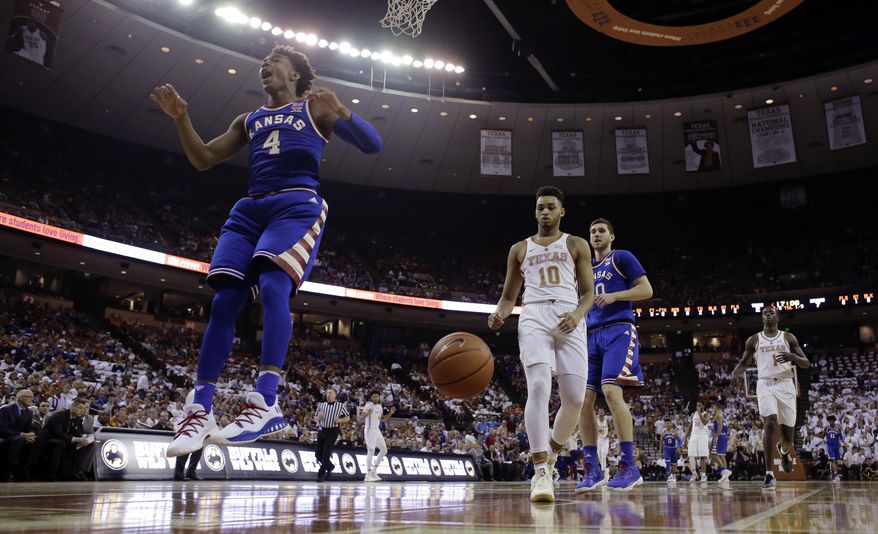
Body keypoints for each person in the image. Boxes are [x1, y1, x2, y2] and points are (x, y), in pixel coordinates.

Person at [151, 45, 382, 457]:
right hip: (250, 208)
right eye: (262, 63)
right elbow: (203, 158)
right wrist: (181, 117)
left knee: (275, 286)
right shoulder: (250, 119)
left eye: (273, 63)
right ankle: (201, 409)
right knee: (224, 301)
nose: (265, 67)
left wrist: (343, 110)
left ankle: (265, 401)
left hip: (296, 203)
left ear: (294, 75)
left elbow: (373, 145)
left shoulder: (316, 110)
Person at [488, 186, 594, 502]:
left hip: (568, 315)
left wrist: (577, 314)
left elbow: (588, 293)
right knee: (538, 387)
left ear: (562, 211)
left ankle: (550, 455)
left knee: (575, 399)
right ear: (535, 212)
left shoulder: (576, 244)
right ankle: (540, 471)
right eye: (540, 207)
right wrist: (499, 314)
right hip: (533, 315)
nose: (545, 212)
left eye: (551, 207)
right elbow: (509, 297)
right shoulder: (519, 249)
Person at [576, 218, 653, 493]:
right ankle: (592, 468)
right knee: (583, 400)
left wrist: (615, 296)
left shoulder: (621, 257)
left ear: (611, 236)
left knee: (610, 391)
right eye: (592, 231)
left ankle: (629, 466)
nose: (596, 235)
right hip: (590, 335)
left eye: (601, 231)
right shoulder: (584, 268)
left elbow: (646, 290)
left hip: (619, 329)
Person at [732, 305, 810, 491]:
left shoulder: (788, 338)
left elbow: (806, 364)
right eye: (764, 313)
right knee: (770, 422)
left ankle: (783, 451)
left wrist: (791, 356)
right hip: (765, 383)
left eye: (771, 313)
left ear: (778, 317)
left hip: (785, 384)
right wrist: (733, 375)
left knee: (788, 437)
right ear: (762, 319)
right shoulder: (753, 340)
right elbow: (743, 363)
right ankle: (769, 474)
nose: (767, 315)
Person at [44, 397, 92, 481]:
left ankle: (72, 472)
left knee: (82, 444)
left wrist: (83, 438)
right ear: (72, 407)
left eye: (83, 409)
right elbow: (58, 434)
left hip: (65, 440)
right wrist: (76, 439)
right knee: (61, 443)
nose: (81, 411)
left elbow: (78, 434)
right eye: (80, 408)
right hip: (50, 440)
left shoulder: (77, 419)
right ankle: (51, 473)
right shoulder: (59, 415)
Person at [0, 389, 43, 482]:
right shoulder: (6, 409)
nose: (31, 399)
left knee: (38, 439)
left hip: (19, 438)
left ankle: (24, 469)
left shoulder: (29, 412)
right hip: (6, 438)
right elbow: (2, 429)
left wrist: (30, 435)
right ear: (20, 398)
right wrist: (21, 435)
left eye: (32, 397)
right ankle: (9, 471)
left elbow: (29, 428)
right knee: (18, 440)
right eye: (29, 397)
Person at [314, 388, 350, 482]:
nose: (328, 394)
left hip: (333, 431)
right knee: (318, 454)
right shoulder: (321, 405)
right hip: (322, 430)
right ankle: (330, 466)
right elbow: (315, 418)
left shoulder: (340, 406)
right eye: (327, 392)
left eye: (330, 392)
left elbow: (347, 417)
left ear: (335, 395)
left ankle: (321, 474)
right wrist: (318, 417)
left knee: (326, 453)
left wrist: (340, 420)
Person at [359, 390, 395, 482]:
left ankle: (374, 470)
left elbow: (382, 419)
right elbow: (359, 419)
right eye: (373, 396)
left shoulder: (380, 406)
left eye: (377, 396)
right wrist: (367, 414)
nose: (375, 398)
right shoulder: (368, 406)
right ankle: (368, 474)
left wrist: (390, 413)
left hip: (376, 429)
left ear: (379, 398)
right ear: (371, 398)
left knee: (384, 450)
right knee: (371, 451)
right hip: (369, 429)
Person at [686, 402, 710, 483]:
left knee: (702, 456)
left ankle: (703, 475)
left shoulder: (706, 414)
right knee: (691, 454)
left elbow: (705, 422)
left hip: (702, 435)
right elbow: (690, 426)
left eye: (700, 405)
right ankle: (694, 473)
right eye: (697, 405)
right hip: (694, 435)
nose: (698, 406)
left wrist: (699, 412)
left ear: (703, 406)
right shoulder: (693, 414)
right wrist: (685, 437)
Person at [710, 405, 732, 483]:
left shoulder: (718, 416)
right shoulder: (724, 416)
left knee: (713, 453)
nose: (712, 409)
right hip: (724, 436)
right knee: (721, 456)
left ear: (717, 408)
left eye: (713, 407)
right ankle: (726, 477)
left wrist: (716, 437)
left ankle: (724, 470)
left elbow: (719, 426)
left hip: (719, 436)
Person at [824, 415, 844, 483]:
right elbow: (822, 435)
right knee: (832, 460)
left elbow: (841, 437)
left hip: (836, 446)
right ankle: (836, 475)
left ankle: (834, 474)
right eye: (829, 420)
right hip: (829, 446)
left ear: (834, 420)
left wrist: (844, 443)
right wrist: (818, 435)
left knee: (837, 462)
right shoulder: (826, 428)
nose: (831, 422)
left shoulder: (838, 428)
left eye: (832, 420)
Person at [661, 417, 680, 483]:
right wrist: (660, 451)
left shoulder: (675, 432)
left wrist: (679, 447)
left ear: (671, 424)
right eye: (666, 423)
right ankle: (669, 476)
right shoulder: (663, 432)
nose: (667, 424)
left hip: (673, 449)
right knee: (668, 462)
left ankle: (673, 475)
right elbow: (660, 442)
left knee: (674, 464)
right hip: (666, 449)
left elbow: (679, 440)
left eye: (668, 423)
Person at [596, 408, 610, 478]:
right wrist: (597, 430)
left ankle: (603, 471)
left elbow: (612, 428)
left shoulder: (607, 419)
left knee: (604, 454)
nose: (601, 412)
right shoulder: (596, 420)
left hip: (605, 439)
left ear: (604, 412)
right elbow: (593, 428)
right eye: (599, 411)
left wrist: (609, 434)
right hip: (598, 439)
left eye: (602, 411)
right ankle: (603, 469)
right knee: (599, 455)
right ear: (598, 412)